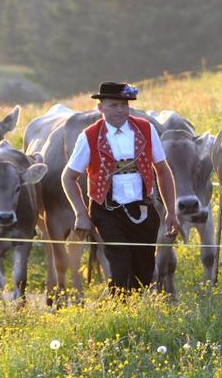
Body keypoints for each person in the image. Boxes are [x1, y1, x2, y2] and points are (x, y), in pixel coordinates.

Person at [62, 81, 180, 294]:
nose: (120, 110)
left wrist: (171, 212)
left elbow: (163, 171)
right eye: (114, 105)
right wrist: (81, 213)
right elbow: (68, 177)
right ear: (100, 108)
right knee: (121, 266)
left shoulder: (145, 129)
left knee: (144, 270)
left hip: (142, 210)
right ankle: (120, 314)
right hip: (107, 212)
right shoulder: (89, 136)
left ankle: (133, 312)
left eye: (124, 105)